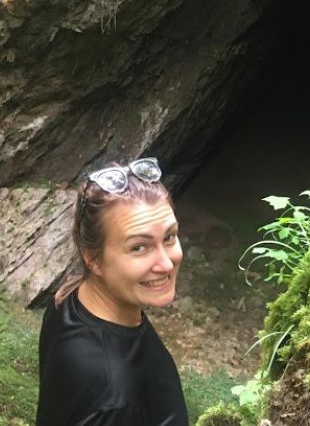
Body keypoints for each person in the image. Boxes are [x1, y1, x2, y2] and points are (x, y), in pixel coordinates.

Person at [36, 157, 189, 426]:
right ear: (93, 259)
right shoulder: (114, 401)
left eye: (169, 237)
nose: (166, 263)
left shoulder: (71, 298)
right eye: (139, 247)